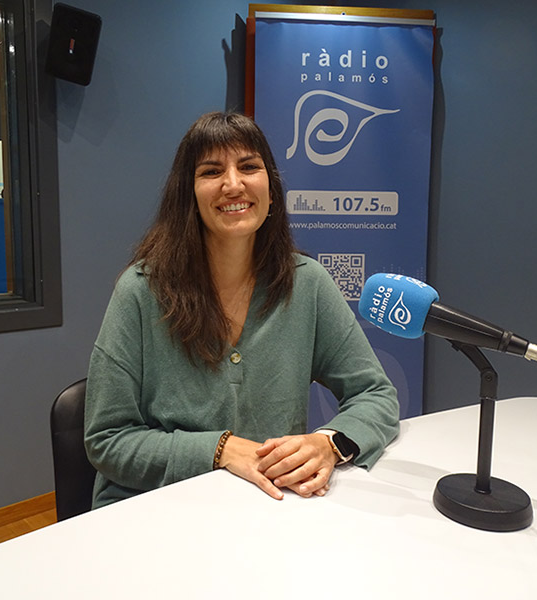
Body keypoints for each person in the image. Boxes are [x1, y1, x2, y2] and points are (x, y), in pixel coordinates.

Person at [84, 111, 399, 508]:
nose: (233, 184)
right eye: (211, 171)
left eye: (249, 167)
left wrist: (329, 443)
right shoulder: (140, 291)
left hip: (267, 507)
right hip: (154, 509)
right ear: (188, 194)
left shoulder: (308, 283)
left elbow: (375, 393)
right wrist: (220, 450)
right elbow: (107, 441)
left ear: (271, 189)